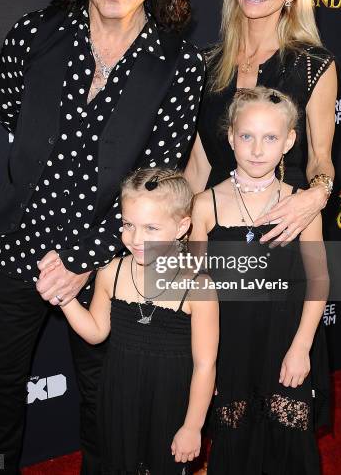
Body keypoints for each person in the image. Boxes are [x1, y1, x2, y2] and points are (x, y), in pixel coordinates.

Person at [0, 0, 205, 474]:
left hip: (108, 259)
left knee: (103, 406)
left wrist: (82, 257)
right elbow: (9, 110)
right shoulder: (34, 35)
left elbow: (157, 176)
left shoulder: (177, 65)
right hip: (20, 246)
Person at [38, 168, 219, 474]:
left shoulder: (198, 286)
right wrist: (64, 296)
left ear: (181, 226)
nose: (136, 239)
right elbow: (96, 333)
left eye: (151, 228)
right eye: (128, 225)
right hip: (118, 394)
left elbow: (205, 366)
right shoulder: (111, 272)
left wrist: (192, 426)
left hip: (171, 399)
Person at [190, 87, 329, 474]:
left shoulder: (301, 207)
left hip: (286, 344)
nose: (256, 149)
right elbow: (198, 291)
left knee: (288, 447)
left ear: (288, 141)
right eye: (247, 136)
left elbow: (318, 282)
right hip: (229, 348)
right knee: (234, 446)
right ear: (231, 136)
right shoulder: (205, 205)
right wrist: (206, 362)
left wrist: (302, 347)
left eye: (270, 138)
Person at [185, 0, 337, 244]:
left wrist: (316, 196)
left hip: (284, 229)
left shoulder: (313, 65)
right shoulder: (204, 64)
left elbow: (320, 159)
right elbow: (197, 167)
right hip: (214, 232)